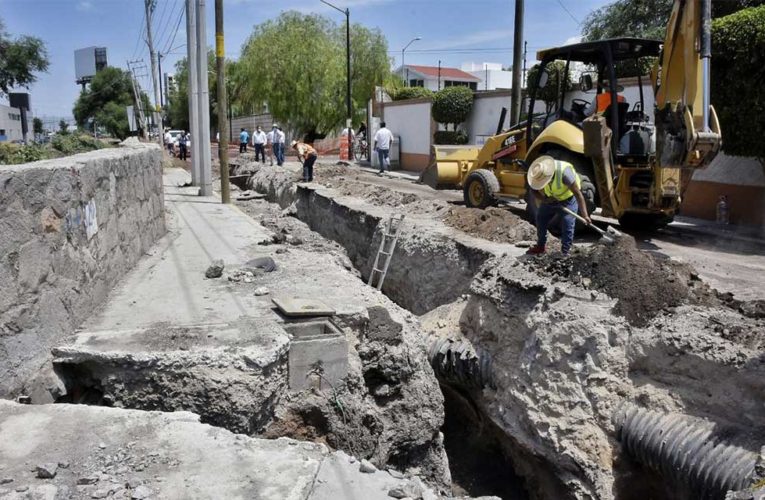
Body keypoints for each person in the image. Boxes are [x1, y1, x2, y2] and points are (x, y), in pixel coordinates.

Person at [525, 155, 591, 256]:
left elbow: (578, 194)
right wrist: (545, 199)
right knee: (540, 218)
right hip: (551, 199)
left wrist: (585, 215)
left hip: (568, 199)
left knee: (567, 223)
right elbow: (533, 191)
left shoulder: (565, 173)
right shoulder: (538, 173)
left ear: (549, 175)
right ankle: (540, 246)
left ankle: (565, 252)